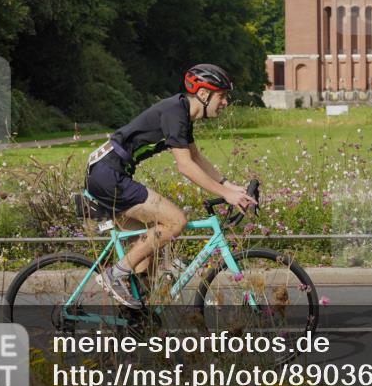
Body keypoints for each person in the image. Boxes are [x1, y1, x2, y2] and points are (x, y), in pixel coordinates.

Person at [87, 64, 256, 308]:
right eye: (221, 95)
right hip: (108, 175)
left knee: (147, 247)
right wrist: (225, 194)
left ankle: (138, 316)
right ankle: (114, 275)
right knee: (176, 221)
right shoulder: (175, 112)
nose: (225, 102)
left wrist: (229, 186)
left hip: (108, 173)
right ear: (204, 94)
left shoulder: (182, 113)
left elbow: (196, 157)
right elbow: (185, 166)